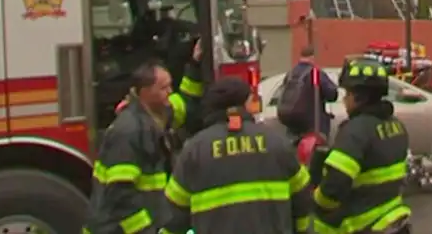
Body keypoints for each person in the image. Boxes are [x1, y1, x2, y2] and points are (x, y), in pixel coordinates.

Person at [161, 77, 314, 234]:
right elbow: (302, 196)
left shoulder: (194, 151)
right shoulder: (277, 142)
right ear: (244, 104)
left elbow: (173, 216)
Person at [84, 45, 204, 234]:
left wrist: (195, 64)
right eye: (163, 88)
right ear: (144, 92)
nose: (170, 92)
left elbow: (186, 103)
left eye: (170, 85)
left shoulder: (158, 114)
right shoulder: (127, 131)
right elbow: (120, 196)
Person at [313, 58, 411, 234]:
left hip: (361, 224)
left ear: (360, 97)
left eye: (348, 94)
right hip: (391, 217)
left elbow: (334, 186)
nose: (345, 99)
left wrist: (316, 202)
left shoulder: (355, 131)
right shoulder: (396, 126)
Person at [277, 45, 340, 140]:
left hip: (291, 121)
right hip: (312, 123)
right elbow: (332, 94)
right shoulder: (315, 73)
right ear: (313, 57)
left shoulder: (290, 74)